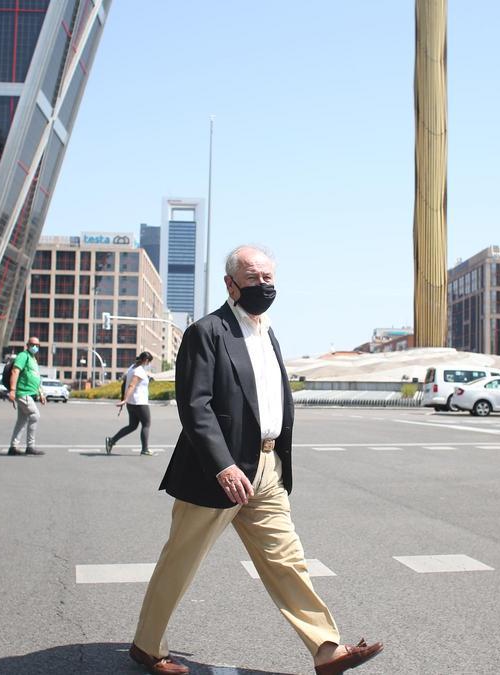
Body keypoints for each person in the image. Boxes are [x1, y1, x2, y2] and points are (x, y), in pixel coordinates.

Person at [128, 245, 383, 675]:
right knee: (181, 560)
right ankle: (147, 646)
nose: (264, 286)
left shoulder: (269, 334)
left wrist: (276, 457)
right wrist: (222, 464)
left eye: (269, 278)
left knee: (287, 559)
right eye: (253, 278)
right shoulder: (207, 332)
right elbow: (196, 406)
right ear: (231, 283)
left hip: (267, 468)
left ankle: (326, 649)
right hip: (218, 472)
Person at [106, 351, 155, 456]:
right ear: (146, 361)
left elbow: (126, 383)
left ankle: (112, 440)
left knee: (132, 426)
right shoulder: (139, 371)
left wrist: (125, 399)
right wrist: (124, 399)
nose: (149, 365)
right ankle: (145, 449)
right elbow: (131, 385)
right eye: (149, 362)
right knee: (146, 424)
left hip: (132, 403)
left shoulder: (132, 367)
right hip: (139, 403)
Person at [5, 336, 46, 456]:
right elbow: (15, 371)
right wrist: (12, 390)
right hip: (23, 392)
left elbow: (36, 378)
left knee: (22, 420)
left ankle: (13, 447)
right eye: (32, 344)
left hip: (29, 393)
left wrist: (41, 393)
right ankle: (30, 446)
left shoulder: (33, 360)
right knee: (35, 415)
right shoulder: (23, 356)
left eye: (37, 345)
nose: (35, 347)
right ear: (27, 345)